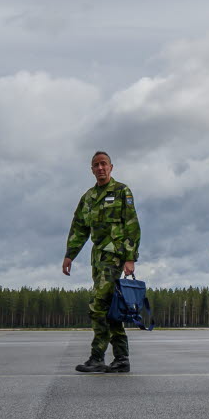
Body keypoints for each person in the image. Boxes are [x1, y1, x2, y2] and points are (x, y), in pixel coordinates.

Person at [62, 151, 140, 374]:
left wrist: (130, 258)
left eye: (103, 164)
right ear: (92, 170)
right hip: (97, 260)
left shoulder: (121, 192)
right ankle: (121, 358)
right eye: (96, 165)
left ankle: (97, 357)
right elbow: (78, 228)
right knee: (110, 308)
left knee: (97, 306)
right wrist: (70, 255)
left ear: (111, 167)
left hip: (115, 258)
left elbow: (132, 225)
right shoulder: (88, 198)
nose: (100, 168)